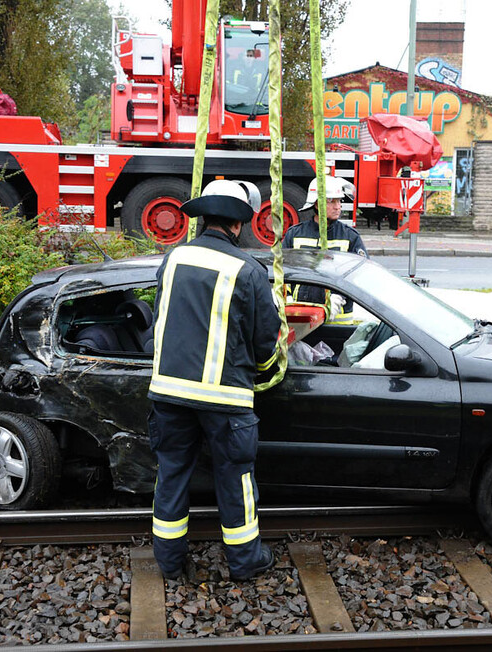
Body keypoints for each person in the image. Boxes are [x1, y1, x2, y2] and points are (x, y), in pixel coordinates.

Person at [148, 179, 281, 581]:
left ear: (203, 219)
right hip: (226, 400)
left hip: (168, 393)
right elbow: (264, 340)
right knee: (235, 479)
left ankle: (169, 563)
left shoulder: (173, 259)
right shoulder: (249, 270)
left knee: (170, 474)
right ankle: (245, 562)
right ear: (238, 225)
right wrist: (264, 368)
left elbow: (161, 317)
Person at [283, 176, 366, 323]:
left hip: (339, 319)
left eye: (339, 201)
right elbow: (282, 270)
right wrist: (286, 296)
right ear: (316, 204)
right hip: (301, 315)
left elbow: (361, 274)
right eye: (331, 201)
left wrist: (340, 296)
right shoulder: (294, 234)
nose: (338, 206)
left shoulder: (350, 237)